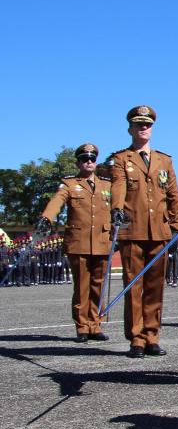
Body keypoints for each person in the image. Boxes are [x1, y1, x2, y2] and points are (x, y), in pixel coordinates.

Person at [109, 106, 178, 358]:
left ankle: (152, 335)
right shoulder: (121, 159)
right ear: (130, 128)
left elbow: (173, 196)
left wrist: (176, 228)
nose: (143, 128)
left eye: (147, 124)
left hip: (160, 232)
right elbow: (118, 188)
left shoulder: (164, 160)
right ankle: (137, 338)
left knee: (155, 287)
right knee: (134, 286)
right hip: (133, 231)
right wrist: (116, 209)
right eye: (139, 124)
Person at [36, 143, 112, 342]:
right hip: (79, 243)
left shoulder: (107, 185)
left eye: (92, 159)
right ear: (78, 162)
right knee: (82, 287)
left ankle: (95, 325)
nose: (89, 162)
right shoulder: (69, 184)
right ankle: (82, 327)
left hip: (103, 242)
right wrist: (46, 218)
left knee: (99, 286)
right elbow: (56, 201)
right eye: (85, 159)